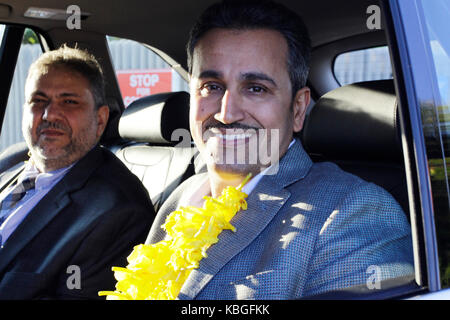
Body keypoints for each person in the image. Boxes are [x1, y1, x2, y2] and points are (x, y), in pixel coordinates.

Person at [145, 0, 414, 299]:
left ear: (298, 109)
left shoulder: (353, 214)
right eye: (211, 86)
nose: (226, 113)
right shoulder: (182, 196)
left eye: (256, 88)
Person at [0, 45, 155, 299]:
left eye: (69, 102)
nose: (50, 114)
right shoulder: (11, 163)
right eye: (39, 101)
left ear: (101, 120)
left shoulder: (119, 212)